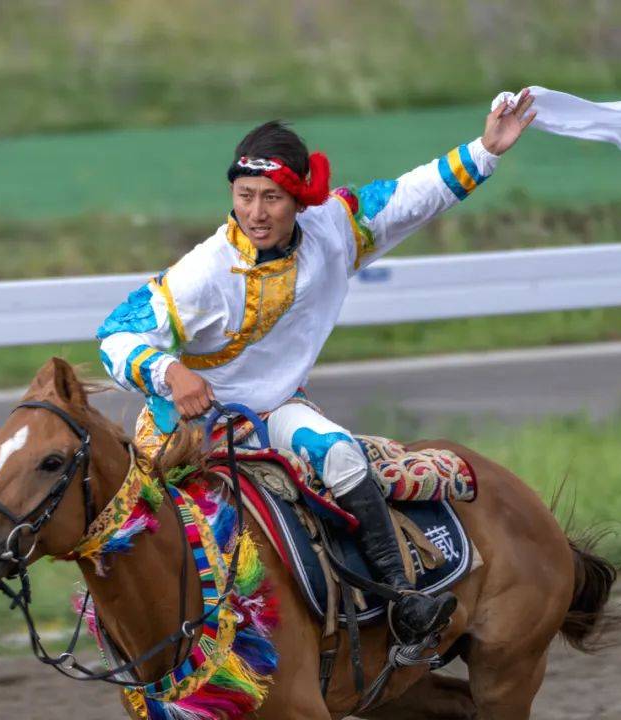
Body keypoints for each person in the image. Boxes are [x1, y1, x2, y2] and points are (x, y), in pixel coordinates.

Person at [97, 90, 536, 643]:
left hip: (278, 409)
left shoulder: (336, 225)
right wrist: (170, 374)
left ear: (300, 197)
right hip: (189, 427)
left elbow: (412, 196)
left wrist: (487, 150)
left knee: (342, 455)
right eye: (245, 195)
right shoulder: (202, 272)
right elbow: (115, 334)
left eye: (272, 198)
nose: (256, 213)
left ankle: (402, 601)